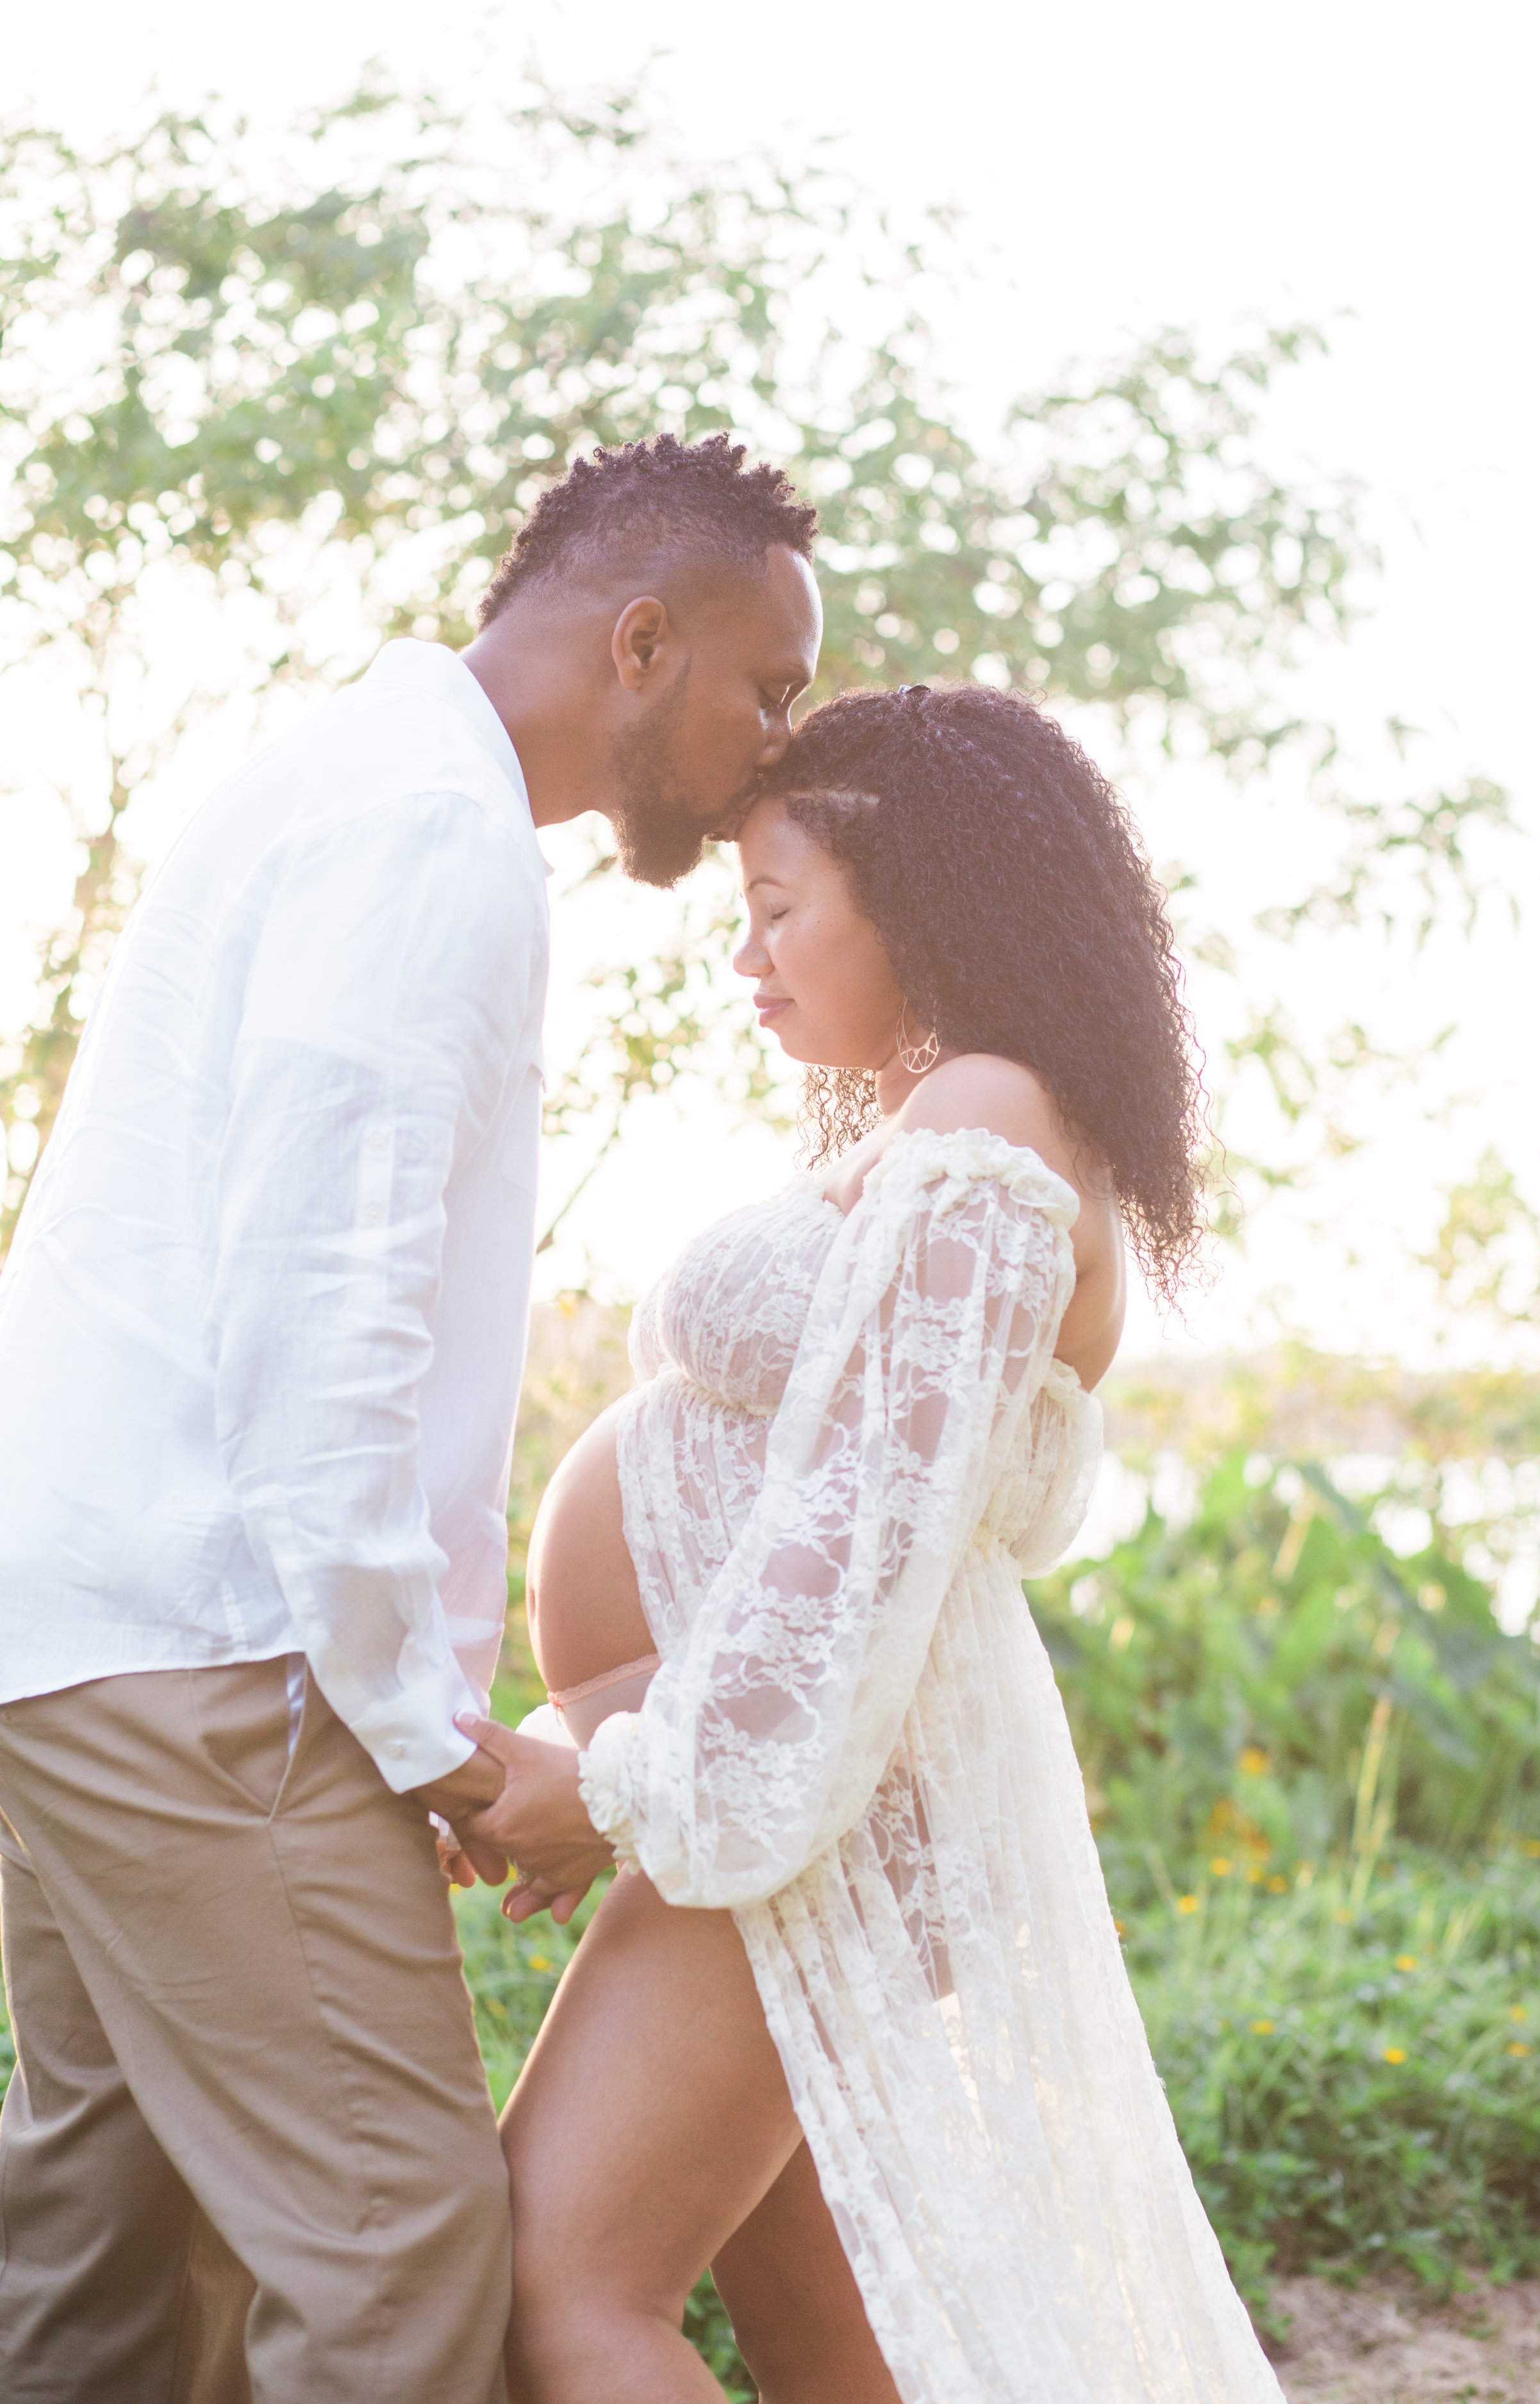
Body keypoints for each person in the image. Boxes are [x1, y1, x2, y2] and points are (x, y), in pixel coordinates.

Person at [0, 432, 822, 2403]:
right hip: (218, 1655)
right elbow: (319, 1311)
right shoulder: (427, 837)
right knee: (398, 2264)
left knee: (115, 2253)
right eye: (764, 688)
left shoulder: (335, 777)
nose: (770, 750)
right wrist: (424, 1737)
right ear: (640, 639)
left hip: (77, 1640)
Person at [458, 683, 1287, 2403]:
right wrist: (585, 1726)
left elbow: (866, 1560)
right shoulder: (945, 1120)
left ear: (922, 906)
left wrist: (614, 1782)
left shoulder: (985, 1123)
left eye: (778, 909)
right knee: (821, 2326)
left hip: (810, 1813)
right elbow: (798, 1517)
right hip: (780, 1791)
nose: (743, 956)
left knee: (560, 2285)